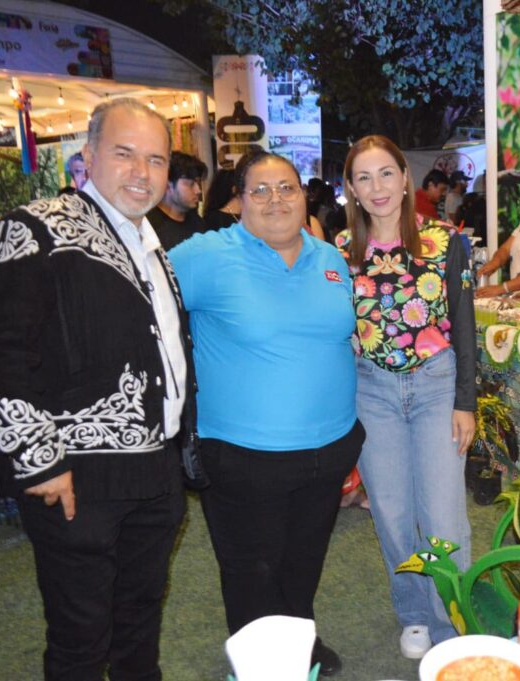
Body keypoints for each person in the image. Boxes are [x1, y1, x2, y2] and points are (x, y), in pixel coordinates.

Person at [0, 98, 193, 681]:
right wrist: (39, 461)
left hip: (155, 471)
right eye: (124, 153)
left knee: (140, 621)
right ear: (88, 155)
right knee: (80, 641)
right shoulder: (35, 226)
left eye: (156, 160)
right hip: (76, 480)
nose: (141, 172)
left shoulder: (150, 242)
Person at [168, 152, 359, 677]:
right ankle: (261, 664)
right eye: (260, 190)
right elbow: (143, 307)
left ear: (304, 196)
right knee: (253, 571)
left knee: (303, 561)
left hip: (328, 448)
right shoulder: (206, 255)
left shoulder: (329, 257)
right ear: (239, 200)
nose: (276, 199)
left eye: (287, 188)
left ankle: (299, 638)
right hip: (243, 455)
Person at [339, 135, 475, 659]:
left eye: (385, 173)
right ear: (351, 189)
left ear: (403, 178)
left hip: (437, 386)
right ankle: (415, 612)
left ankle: (449, 620)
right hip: (371, 393)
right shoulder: (339, 252)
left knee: (442, 516)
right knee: (392, 514)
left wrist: (466, 402)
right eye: (364, 177)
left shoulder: (445, 241)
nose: (377, 187)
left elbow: (464, 323)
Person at [146, 151, 208, 251]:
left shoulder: (197, 222)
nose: (198, 190)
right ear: (168, 185)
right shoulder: (148, 227)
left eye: (198, 184)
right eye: (190, 184)